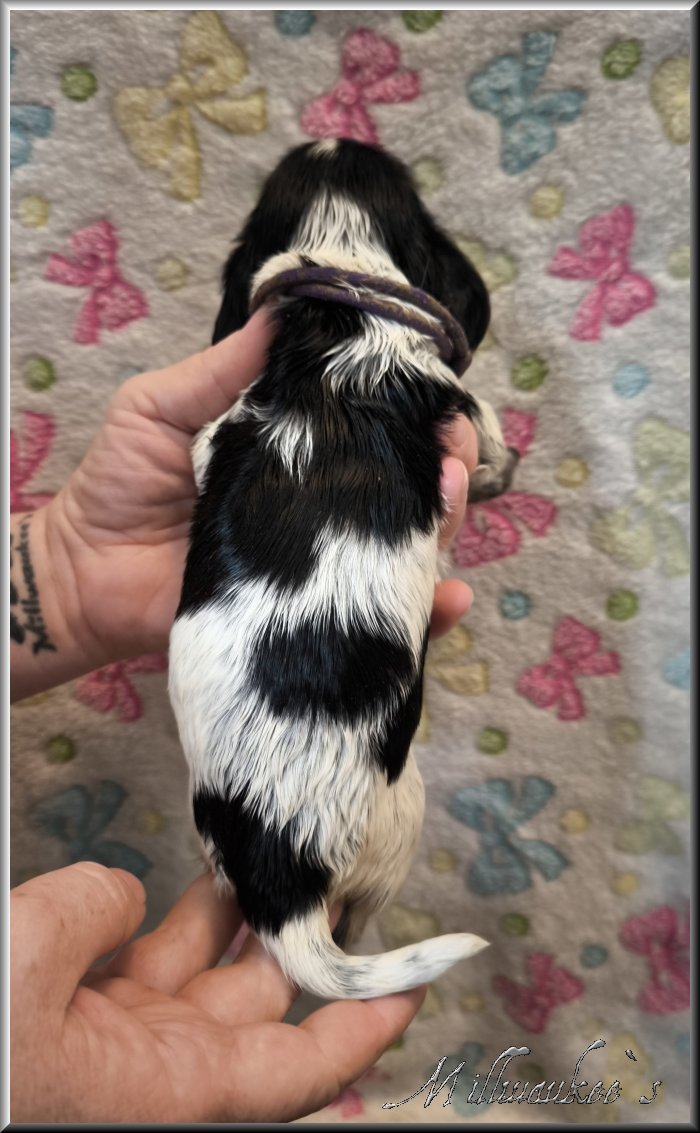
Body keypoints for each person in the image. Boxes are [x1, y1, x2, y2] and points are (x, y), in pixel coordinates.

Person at [10, 307, 479, 1123]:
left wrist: (64, 564)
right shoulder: (410, 384)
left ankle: (329, 916)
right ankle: (338, 918)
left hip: (242, 826)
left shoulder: (235, 423)